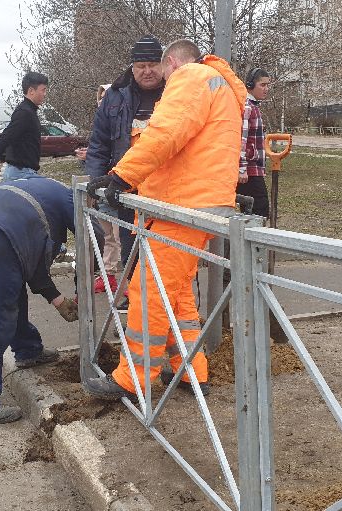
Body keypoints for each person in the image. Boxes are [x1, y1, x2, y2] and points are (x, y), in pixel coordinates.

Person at [83, 39, 246, 400]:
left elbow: (165, 134)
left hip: (183, 206)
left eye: (164, 74)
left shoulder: (190, 77)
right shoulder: (214, 83)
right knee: (178, 296)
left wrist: (121, 177)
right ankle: (191, 370)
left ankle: (132, 379)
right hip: (196, 204)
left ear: (171, 62)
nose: (162, 84)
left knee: (148, 290)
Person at [0, 176, 98, 424]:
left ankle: (28, 349)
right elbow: (94, 241)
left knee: (11, 287)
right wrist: (81, 289)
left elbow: (32, 262)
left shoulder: (40, 190)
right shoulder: (71, 197)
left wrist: (58, 299)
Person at [85, 36, 167, 294]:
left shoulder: (176, 93)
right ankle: (136, 302)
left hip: (168, 193)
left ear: (163, 65)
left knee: (166, 257)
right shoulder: (114, 96)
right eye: (141, 65)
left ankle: (163, 310)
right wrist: (96, 182)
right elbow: (98, 145)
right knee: (130, 252)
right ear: (132, 67)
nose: (147, 71)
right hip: (126, 192)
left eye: (153, 64)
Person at [0, 72, 49, 182]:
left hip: (24, 172)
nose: (45, 94)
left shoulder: (29, 111)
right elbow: (6, 136)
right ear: (31, 91)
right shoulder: (25, 113)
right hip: (21, 174)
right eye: (43, 90)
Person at [238, 68, 272, 219]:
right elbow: (242, 139)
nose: (266, 89)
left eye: (267, 85)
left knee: (250, 210)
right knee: (260, 207)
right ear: (251, 84)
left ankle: (247, 240)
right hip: (249, 171)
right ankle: (254, 241)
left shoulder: (254, 106)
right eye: (262, 85)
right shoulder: (247, 107)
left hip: (254, 169)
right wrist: (242, 168)